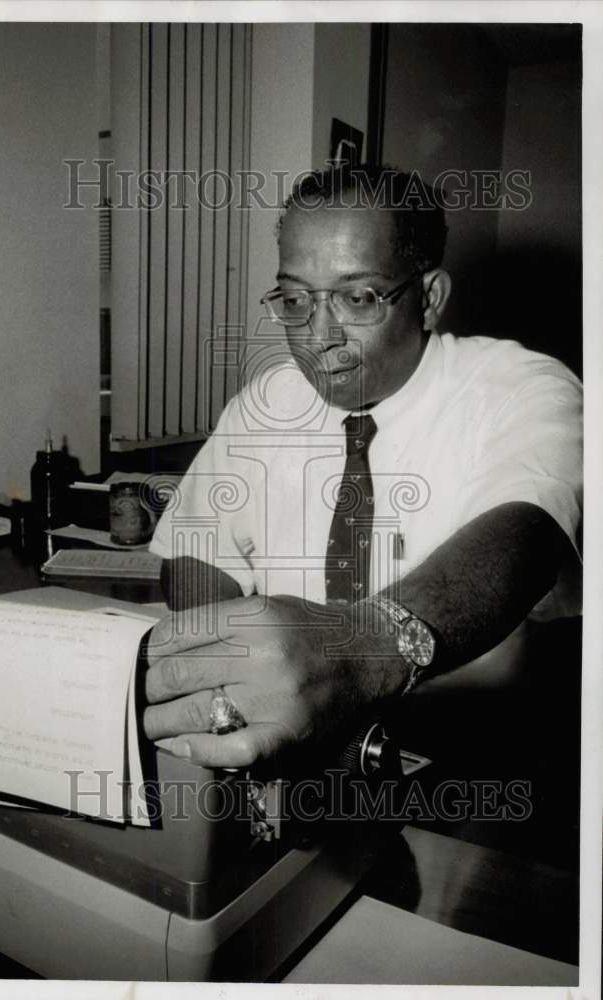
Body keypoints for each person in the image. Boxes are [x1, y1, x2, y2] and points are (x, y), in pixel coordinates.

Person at [144, 165, 582, 769]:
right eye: (295, 299)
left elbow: (525, 535)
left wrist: (363, 653)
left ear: (429, 298)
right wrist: (232, 661)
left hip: (460, 754)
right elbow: (195, 554)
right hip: (284, 739)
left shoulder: (523, 388)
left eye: (357, 298)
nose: (317, 337)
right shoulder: (268, 400)